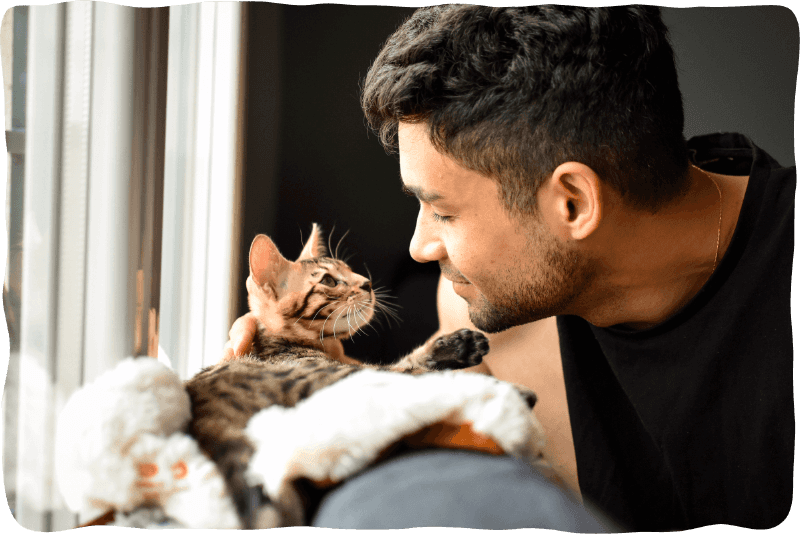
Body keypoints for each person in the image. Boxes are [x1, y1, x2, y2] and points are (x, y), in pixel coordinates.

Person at [226, 5, 794, 531]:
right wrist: (319, 384)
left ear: (572, 202)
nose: (420, 247)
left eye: (442, 210)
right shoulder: (482, 324)